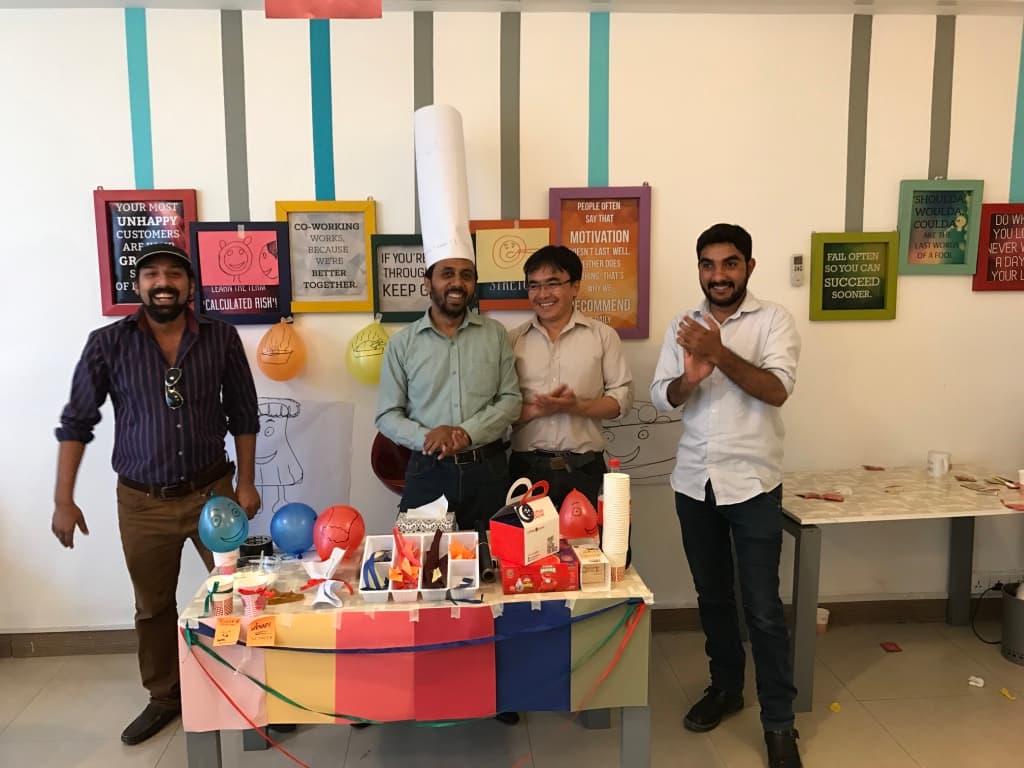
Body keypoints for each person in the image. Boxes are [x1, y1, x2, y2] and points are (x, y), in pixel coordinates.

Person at [52, 243, 260, 746]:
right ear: (137, 284)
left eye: (174, 273)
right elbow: (77, 422)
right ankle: (165, 696)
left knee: (241, 594)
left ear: (190, 286)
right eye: (151, 273)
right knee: (152, 607)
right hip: (142, 501)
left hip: (213, 494)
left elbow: (244, 413)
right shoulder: (107, 343)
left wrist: (246, 483)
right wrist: (64, 498)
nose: (162, 281)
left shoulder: (221, 338)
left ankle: (255, 688)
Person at [650, 223, 802, 768]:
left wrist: (720, 352)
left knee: (761, 607)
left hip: (754, 484)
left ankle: (779, 723)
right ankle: (726, 688)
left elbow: (776, 390)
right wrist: (690, 378)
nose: (719, 275)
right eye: (709, 265)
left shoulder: (773, 321)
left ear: (749, 268)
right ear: (699, 269)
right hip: (694, 484)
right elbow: (663, 398)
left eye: (730, 263)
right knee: (712, 597)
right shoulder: (681, 326)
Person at [375, 254, 522, 535]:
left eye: (467, 275)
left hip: (488, 473)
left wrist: (466, 433)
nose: (458, 283)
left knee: (493, 564)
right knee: (421, 567)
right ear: (428, 283)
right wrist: (429, 439)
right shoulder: (402, 344)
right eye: (448, 274)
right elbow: (387, 415)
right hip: (428, 472)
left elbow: (511, 400)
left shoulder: (495, 335)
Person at [508, 245, 633, 511]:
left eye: (552, 284)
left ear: (575, 287)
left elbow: (621, 401)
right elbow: (498, 409)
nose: (542, 295)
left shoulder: (602, 336)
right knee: (527, 551)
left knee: (592, 550)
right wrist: (536, 410)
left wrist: (577, 407)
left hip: (584, 470)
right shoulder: (512, 340)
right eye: (534, 285)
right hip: (526, 470)